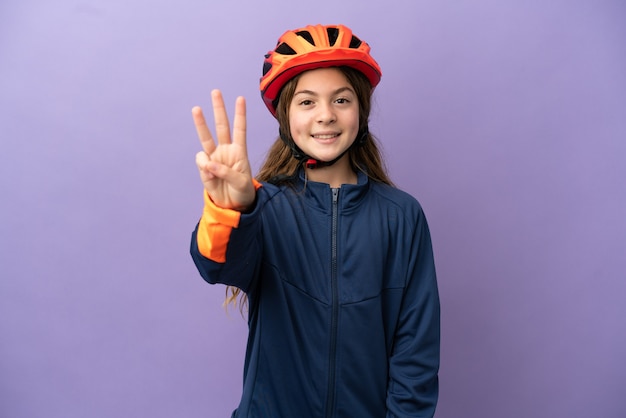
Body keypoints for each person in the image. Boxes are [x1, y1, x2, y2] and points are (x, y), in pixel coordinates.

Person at [190, 24, 440, 418]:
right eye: (307, 102)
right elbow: (216, 265)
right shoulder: (265, 208)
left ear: (361, 110)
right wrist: (233, 210)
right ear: (286, 116)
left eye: (341, 99)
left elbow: (416, 351)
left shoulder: (402, 216)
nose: (326, 115)